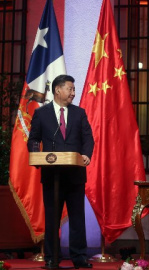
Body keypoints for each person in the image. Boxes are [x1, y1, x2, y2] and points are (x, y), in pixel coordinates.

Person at [27, 74, 95, 269]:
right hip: (51, 175)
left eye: (74, 90)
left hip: (75, 175)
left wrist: (86, 155)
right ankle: (51, 257)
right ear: (58, 90)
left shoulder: (79, 113)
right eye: (70, 89)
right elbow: (33, 139)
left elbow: (88, 138)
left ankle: (79, 257)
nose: (73, 93)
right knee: (52, 218)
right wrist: (35, 156)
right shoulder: (42, 114)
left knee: (77, 218)